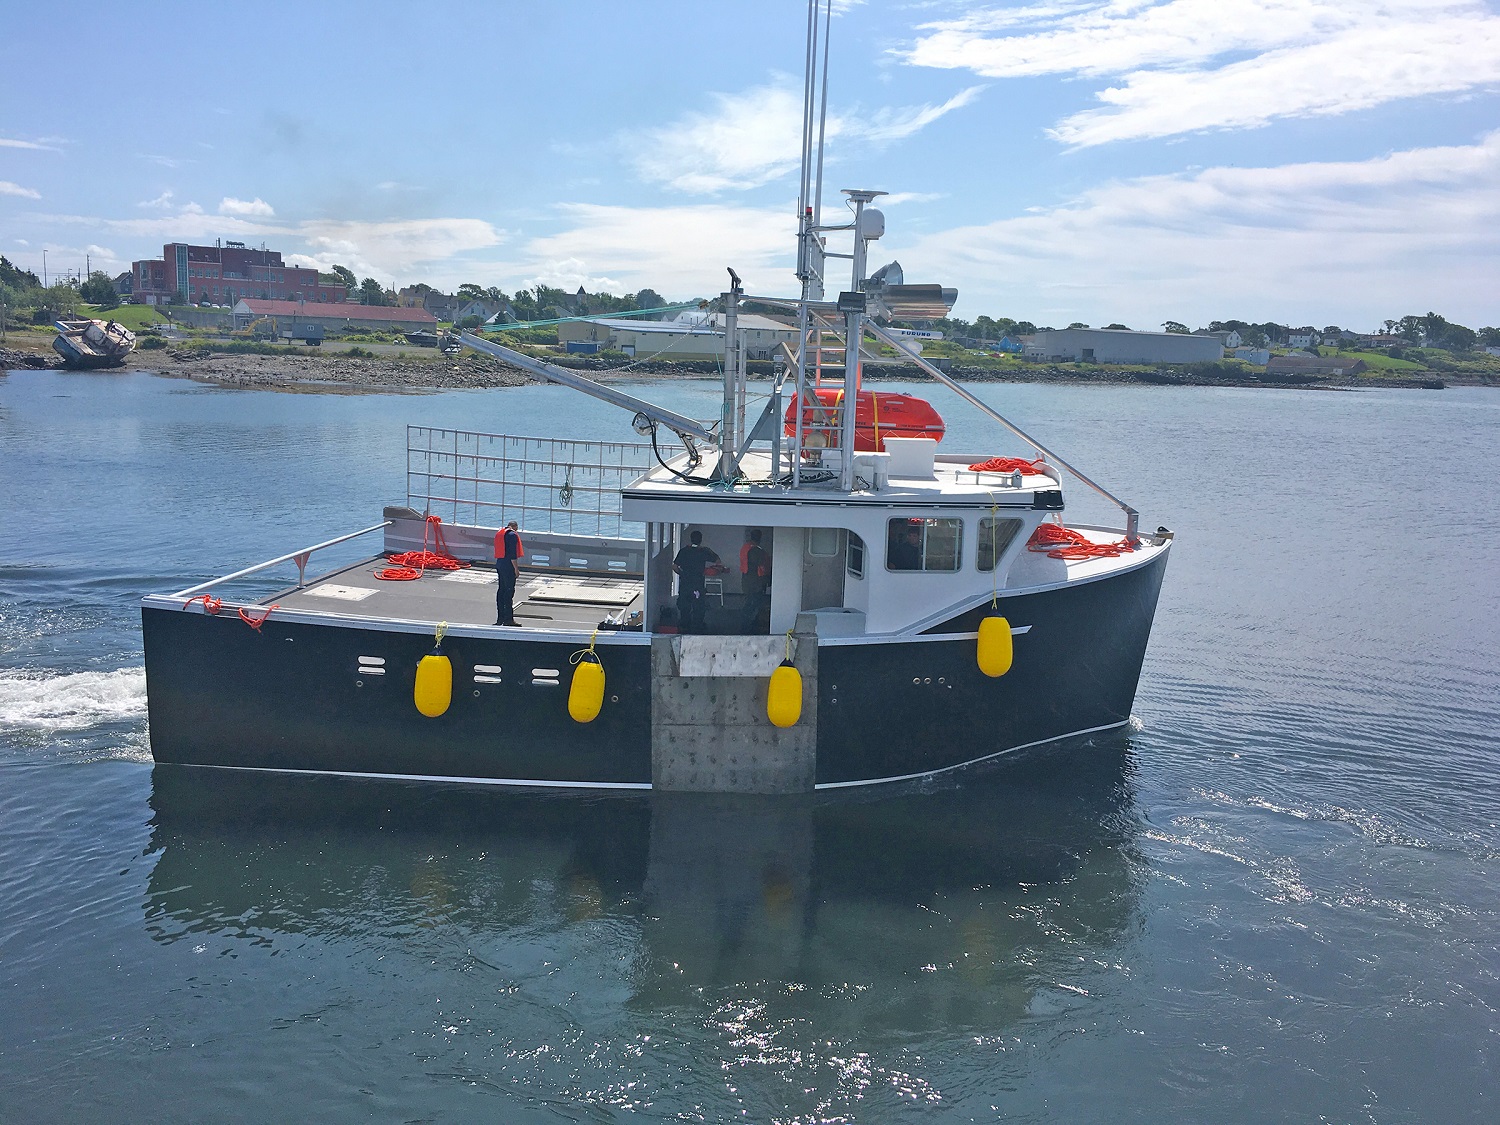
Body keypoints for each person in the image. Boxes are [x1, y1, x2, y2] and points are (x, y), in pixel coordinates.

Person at [672, 529, 721, 633]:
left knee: (684, 605)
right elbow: (717, 560)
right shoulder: (703, 551)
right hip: (698, 583)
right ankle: (697, 626)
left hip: (685, 583)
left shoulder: (684, 551)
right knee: (699, 605)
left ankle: (684, 626)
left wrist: (682, 574)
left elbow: (675, 566)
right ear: (701, 540)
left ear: (691, 539)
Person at [739, 529, 771, 633]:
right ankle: (749, 627)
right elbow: (763, 567)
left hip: (746, 580)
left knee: (748, 602)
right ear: (760, 538)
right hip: (756, 582)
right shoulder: (757, 551)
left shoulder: (745, 548)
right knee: (754, 604)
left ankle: (745, 625)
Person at [494, 520, 524, 626]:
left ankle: (500, 618)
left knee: (501, 591)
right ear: (515, 527)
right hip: (508, 566)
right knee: (509, 592)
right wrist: (516, 569)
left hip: (500, 564)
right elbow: (512, 555)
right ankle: (508, 619)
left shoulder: (500, 533)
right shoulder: (512, 535)